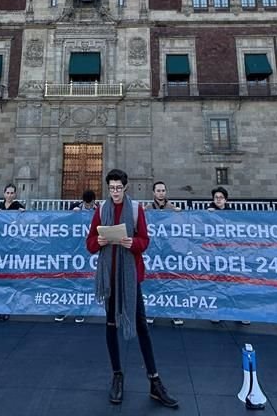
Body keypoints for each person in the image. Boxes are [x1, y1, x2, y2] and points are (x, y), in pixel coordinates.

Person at [86, 169, 178, 408]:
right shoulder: (101, 211)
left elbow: (145, 241)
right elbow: (90, 244)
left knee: (141, 327)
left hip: (130, 277)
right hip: (109, 278)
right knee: (110, 326)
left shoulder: (136, 211)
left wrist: (132, 242)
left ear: (125, 187)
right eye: (112, 188)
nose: (115, 192)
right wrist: (100, 241)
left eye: (118, 188)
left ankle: (155, 381)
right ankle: (117, 375)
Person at [206, 186, 249, 325]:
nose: (218, 200)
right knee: (217, 283)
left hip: (231, 254)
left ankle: (238, 313)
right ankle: (217, 312)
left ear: (225, 199)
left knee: (234, 283)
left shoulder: (233, 214)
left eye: (220, 197)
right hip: (215, 254)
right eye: (216, 198)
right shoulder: (207, 213)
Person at [145, 181, 183, 326]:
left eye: (163, 190)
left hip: (169, 251)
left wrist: (180, 215)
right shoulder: (147, 209)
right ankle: (152, 312)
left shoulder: (173, 209)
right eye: (158, 190)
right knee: (153, 282)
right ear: (154, 193)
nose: (161, 193)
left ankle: (174, 313)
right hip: (154, 251)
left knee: (172, 282)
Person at [58, 190, 98, 323]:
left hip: (89, 253)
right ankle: (63, 310)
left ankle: (80, 311)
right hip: (74, 251)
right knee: (68, 280)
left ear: (93, 202)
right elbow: (63, 225)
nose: (88, 207)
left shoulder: (99, 210)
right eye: (86, 204)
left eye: (90, 204)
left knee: (85, 282)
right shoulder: (74, 207)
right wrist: (71, 215)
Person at [0, 184, 24, 320]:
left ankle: (7, 308)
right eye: (8, 193)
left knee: (9, 280)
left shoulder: (19, 207)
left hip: (12, 248)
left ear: (15, 194)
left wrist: (24, 214)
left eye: (12, 193)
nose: (10, 195)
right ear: (4, 193)